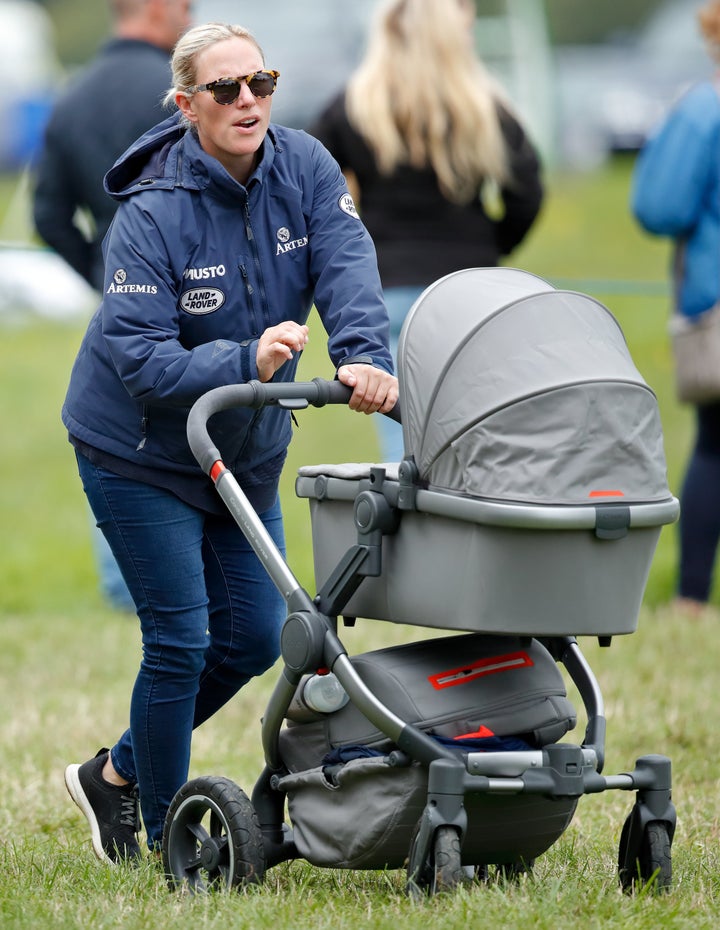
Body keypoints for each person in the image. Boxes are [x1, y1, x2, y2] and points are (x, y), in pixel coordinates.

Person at [61, 21, 397, 864]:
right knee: (180, 639)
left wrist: (363, 356)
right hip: (136, 452)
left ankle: (113, 777)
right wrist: (242, 357)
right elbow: (138, 357)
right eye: (225, 89)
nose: (249, 101)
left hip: (240, 448)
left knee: (252, 637)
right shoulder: (149, 212)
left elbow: (347, 262)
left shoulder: (307, 165)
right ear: (185, 106)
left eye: (261, 82)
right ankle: (173, 831)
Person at [309, 0, 544, 462]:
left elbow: (307, 180)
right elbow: (527, 192)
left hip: (388, 290)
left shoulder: (354, 103)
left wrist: (340, 248)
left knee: (408, 455)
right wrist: (492, 244)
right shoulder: (484, 104)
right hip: (473, 295)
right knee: (481, 445)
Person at [33, 0, 194, 611]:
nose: (189, 15)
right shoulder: (180, 94)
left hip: (123, 301)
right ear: (154, 10)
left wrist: (105, 277)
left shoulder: (71, 98)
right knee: (207, 423)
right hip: (200, 286)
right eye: (183, 6)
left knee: (119, 433)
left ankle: (125, 585)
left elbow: (49, 215)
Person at [631, 0, 720, 617]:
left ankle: (691, 597)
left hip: (715, 300)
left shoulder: (705, 109)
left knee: (714, 446)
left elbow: (659, 206)